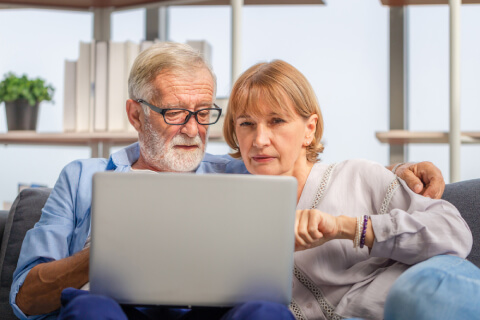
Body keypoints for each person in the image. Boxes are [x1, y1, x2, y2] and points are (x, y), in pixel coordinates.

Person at [10, 43, 446, 320]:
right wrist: (103, 256)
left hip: (214, 313)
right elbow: (25, 299)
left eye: (204, 113)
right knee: (90, 309)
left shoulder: (240, 173)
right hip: (107, 307)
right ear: (135, 114)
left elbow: (306, 170)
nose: (193, 128)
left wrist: (398, 176)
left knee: (265, 312)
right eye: (176, 112)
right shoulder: (81, 178)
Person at [222, 59, 477, 320]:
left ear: (309, 129)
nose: (260, 140)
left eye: (276, 121)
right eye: (246, 124)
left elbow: (454, 233)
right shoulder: (230, 211)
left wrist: (346, 228)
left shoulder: (356, 176)